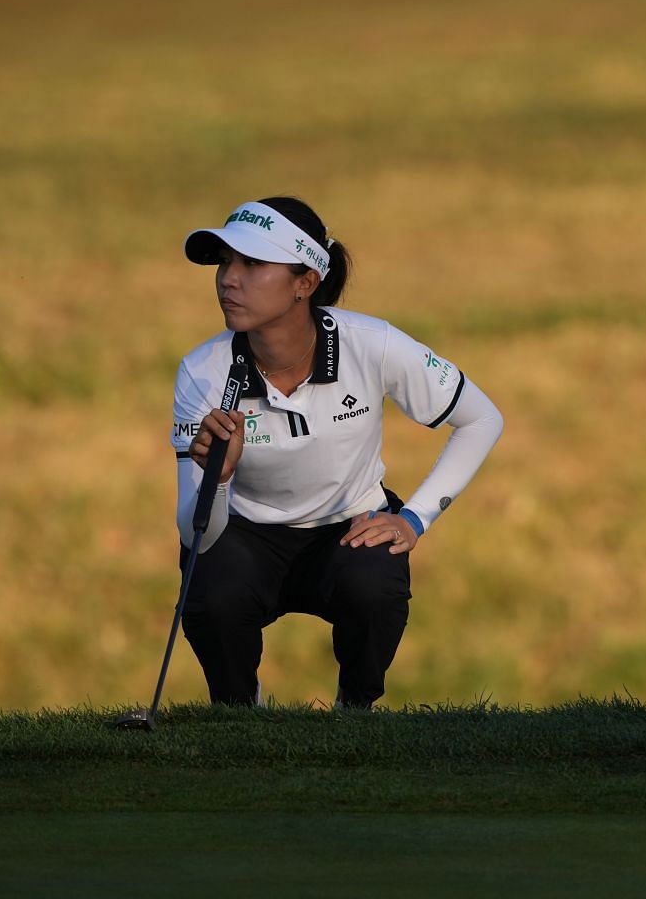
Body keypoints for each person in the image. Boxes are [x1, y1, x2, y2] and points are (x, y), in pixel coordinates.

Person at [170, 196, 504, 708]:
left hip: (348, 527)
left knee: (376, 583)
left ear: (305, 282)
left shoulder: (372, 343)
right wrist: (218, 478)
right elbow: (196, 531)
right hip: (244, 534)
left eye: (252, 263)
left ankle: (356, 712)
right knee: (209, 585)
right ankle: (239, 716)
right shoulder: (203, 372)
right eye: (224, 262)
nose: (228, 278)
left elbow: (482, 418)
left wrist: (414, 519)